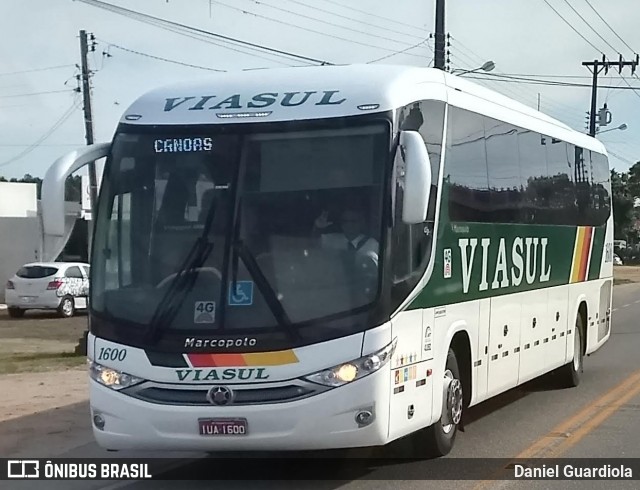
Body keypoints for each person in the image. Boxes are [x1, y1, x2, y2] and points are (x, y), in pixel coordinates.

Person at [312, 208, 379, 266]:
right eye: (345, 221)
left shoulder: (372, 244)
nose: (349, 224)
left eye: (353, 221)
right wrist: (318, 228)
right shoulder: (332, 239)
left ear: (361, 222)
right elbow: (312, 244)